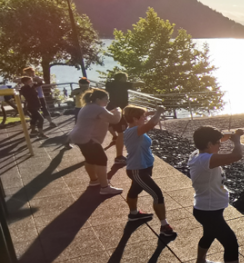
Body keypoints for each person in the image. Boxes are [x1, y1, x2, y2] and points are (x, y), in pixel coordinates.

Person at [189, 126, 244, 263]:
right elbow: (237, 155)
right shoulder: (205, 160)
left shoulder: (197, 154)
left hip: (207, 209)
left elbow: (219, 140)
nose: (220, 145)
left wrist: (231, 135)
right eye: (217, 144)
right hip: (208, 211)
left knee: (208, 234)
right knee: (231, 243)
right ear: (209, 144)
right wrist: (237, 141)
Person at [122, 105, 176, 239]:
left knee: (135, 190)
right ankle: (164, 226)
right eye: (143, 116)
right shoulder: (133, 131)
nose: (146, 118)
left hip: (143, 168)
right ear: (135, 118)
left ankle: (133, 214)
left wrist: (150, 112)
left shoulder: (136, 129)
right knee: (158, 195)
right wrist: (158, 111)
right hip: (138, 170)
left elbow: (147, 120)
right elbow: (152, 123)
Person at [68, 89, 123, 194]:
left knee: (90, 159)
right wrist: (119, 111)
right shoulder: (98, 108)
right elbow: (114, 120)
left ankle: (94, 181)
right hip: (88, 138)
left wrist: (112, 112)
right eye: (106, 99)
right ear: (98, 99)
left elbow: (102, 116)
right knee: (101, 160)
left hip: (78, 136)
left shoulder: (89, 107)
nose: (108, 101)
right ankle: (104, 187)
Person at [105, 72, 132, 165]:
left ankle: (114, 137)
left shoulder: (110, 84)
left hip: (111, 107)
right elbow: (138, 84)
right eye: (126, 78)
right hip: (120, 109)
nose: (126, 80)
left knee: (111, 126)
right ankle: (119, 157)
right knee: (122, 133)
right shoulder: (122, 84)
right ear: (121, 78)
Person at [18, 71, 46, 138]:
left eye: (31, 81)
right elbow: (27, 95)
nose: (31, 82)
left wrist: (38, 79)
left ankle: (33, 132)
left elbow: (41, 83)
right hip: (31, 106)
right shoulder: (24, 88)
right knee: (41, 119)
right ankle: (41, 133)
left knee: (34, 118)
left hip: (36, 105)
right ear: (25, 82)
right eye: (29, 81)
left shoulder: (32, 86)